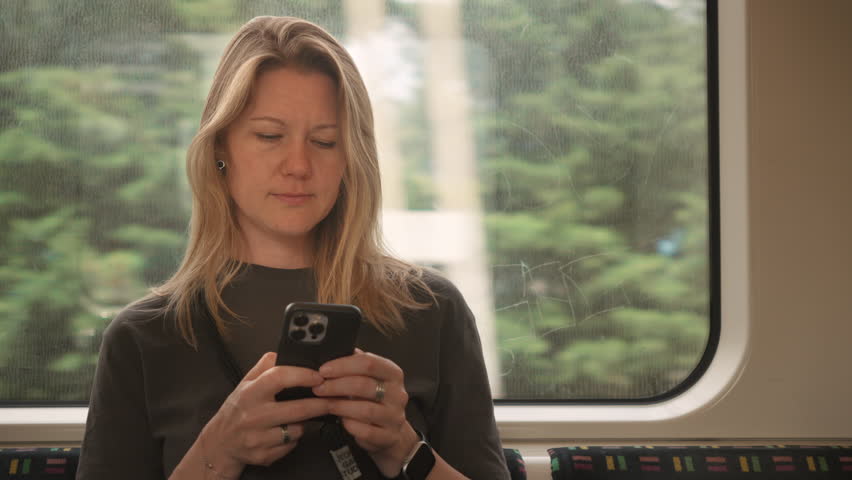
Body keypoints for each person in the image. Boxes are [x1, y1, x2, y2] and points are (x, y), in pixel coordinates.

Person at [77, 15, 509, 480]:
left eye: (325, 141)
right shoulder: (142, 338)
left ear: (351, 158)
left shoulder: (431, 310)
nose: (299, 165)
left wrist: (402, 447)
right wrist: (218, 451)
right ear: (220, 146)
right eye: (269, 136)